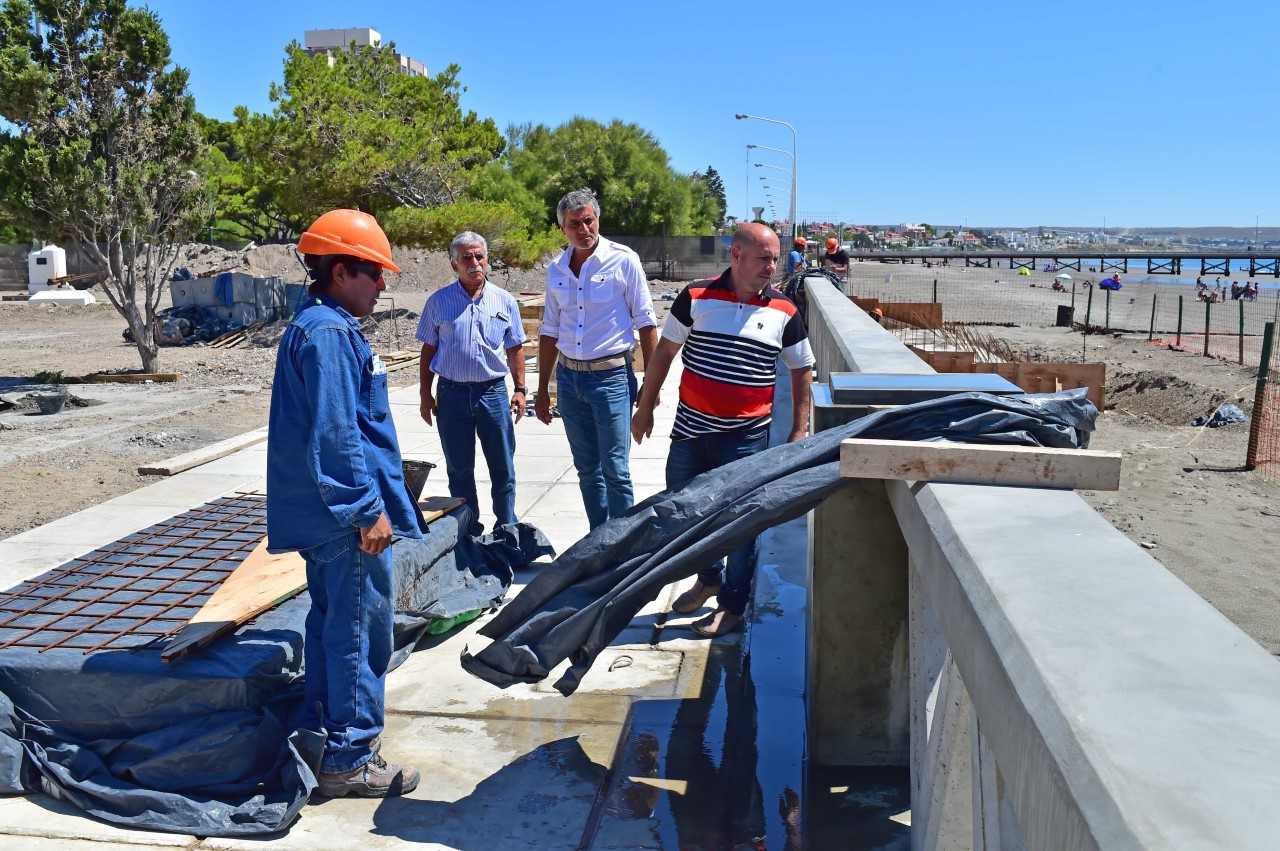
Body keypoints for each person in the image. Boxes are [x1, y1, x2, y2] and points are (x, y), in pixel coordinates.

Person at [266, 209, 423, 798]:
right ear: (339, 271)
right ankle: (350, 758)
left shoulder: (316, 325)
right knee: (358, 633)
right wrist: (366, 511)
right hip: (344, 522)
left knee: (332, 625)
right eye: (373, 274)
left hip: (322, 520)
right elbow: (336, 436)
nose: (383, 286)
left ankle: (321, 732)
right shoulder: (330, 334)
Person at [630, 223, 815, 637]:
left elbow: (802, 369)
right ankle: (709, 577)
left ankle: (731, 605)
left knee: (742, 523)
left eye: (774, 258)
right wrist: (645, 406)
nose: (772, 266)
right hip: (691, 431)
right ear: (736, 256)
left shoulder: (784, 310)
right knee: (684, 513)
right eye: (764, 258)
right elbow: (663, 353)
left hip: (746, 439)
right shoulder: (695, 297)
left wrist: (798, 430)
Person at [534, 189, 658, 529]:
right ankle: (598, 543)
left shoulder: (624, 260)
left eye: (589, 220)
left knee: (615, 469)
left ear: (598, 220)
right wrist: (542, 387)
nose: (584, 228)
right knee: (587, 468)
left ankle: (623, 548)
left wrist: (651, 384)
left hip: (612, 379)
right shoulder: (557, 268)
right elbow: (549, 330)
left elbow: (646, 323)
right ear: (563, 228)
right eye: (575, 223)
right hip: (570, 381)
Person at [416, 231, 527, 535]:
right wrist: (426, 396)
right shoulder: (438, 302)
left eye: (479, 256)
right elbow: (428, 350)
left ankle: (507, 527)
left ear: (487, 259)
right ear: (454, 265)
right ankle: (469, 530)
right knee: (460, 470)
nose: (475, 263)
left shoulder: (504, 301)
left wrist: (520, 389)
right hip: (451, 396)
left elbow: (515, 347)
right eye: (467, 258)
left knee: (503, 467)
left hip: (492, 393)